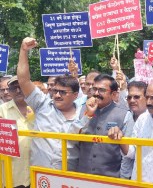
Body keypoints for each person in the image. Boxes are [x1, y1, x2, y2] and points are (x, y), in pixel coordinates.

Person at [17, 37, 83, 170]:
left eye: (63, 92)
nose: (57, 95)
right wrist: (24, 51)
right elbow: (23, 80)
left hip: (70, 179)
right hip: (40, 177)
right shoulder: (42, 104)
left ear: (75, 95)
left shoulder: (84, 112)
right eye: (55, 91)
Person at [76, 74, 129, 178]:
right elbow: (72, 136)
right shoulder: (81, 109)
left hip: (110, 178)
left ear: (113, 94)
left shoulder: (125, 114)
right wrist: (88, 115)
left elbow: (129, 153)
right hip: (83, 176)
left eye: (101, 90)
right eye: (94, 89)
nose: (96, 93)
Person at [0, 76, 35, 188]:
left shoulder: (40, 108)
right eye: (14, 88)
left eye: (21, 87)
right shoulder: (2, 110)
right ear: (10, 91)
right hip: (12, 175)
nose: (18, 90)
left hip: (37, 172)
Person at [120, 80, 147, 179]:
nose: (132, 100)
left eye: (136, 97)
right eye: (129, 97)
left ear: (147, 98)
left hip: (144, 177)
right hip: (124, 176)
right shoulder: (125, 117)